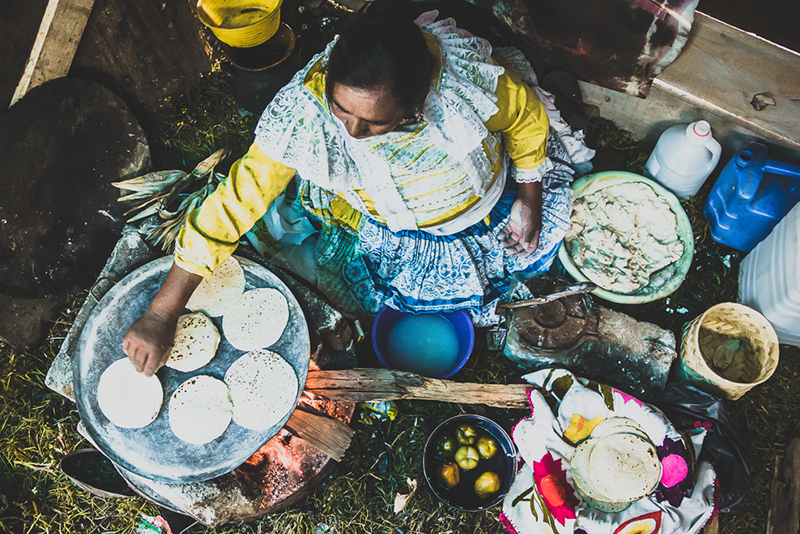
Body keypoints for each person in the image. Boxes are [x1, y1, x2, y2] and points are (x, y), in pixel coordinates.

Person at [123, 7, 576, 376]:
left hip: (491, 199)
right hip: (401, 226)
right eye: (342, 110)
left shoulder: (461, 87)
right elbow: (237, 201)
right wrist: (163, 312)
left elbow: (524, 119)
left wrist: (529, 194)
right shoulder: (306, 118)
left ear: (418, 101)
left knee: (524, 246)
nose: (354, 132)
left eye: (377, 122)